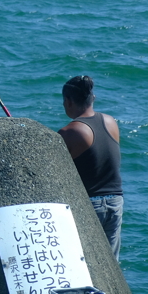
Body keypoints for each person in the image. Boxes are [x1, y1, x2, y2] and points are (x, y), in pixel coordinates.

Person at [58, 75, 123, 260]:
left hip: (91, 204)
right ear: (92, 98)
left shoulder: (69, 132)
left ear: (68, 101)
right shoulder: (110, 121)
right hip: (116, 202)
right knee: (109, 265)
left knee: (85, 263)